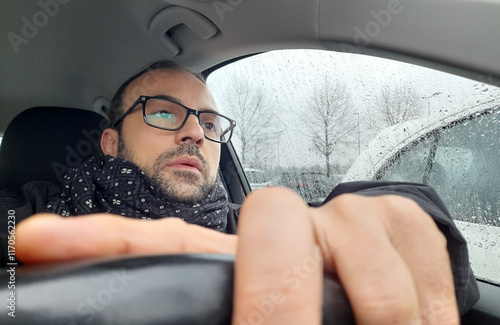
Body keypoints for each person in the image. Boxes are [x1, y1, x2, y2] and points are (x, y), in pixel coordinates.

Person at [14, 60, 476, 324]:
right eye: (162, 112)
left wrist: (394, 225)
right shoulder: (33, 215)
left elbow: (347, 221)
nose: (195, 132)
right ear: (111, 141)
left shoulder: (253, 234)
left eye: (210, 123)